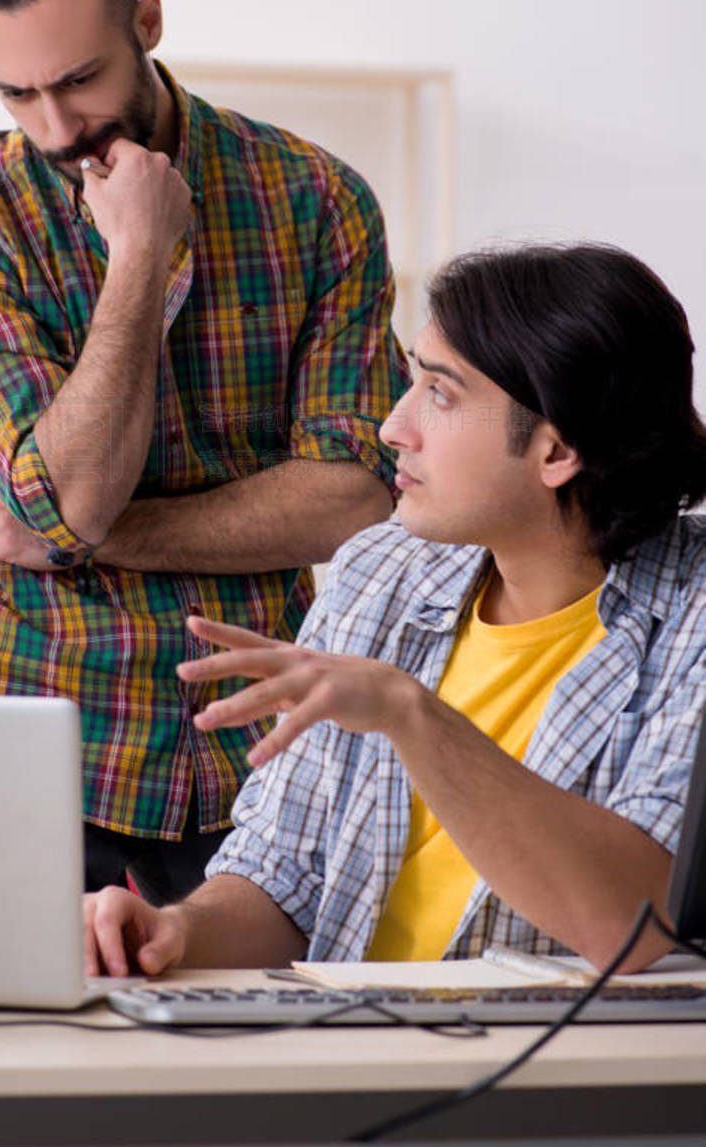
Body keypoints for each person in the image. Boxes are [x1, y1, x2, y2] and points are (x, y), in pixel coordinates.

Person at [0, 0, 407, 900]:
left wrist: (74, 536)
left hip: (257, 769)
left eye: (79, 80)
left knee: (253, 1052)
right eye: (16, 93)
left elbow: (355, 501)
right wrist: (139, 251)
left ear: (148, 21)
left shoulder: (317, 201)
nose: (55, 125)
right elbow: (75, 493)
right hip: (31, 750)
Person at [85, 242, 706, 975]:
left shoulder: (691, 616)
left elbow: (639, 923)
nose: (392, 428)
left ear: (555, 450)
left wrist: (412, 715)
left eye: (440, 394)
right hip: (346, 1047)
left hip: (552, 1077)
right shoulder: (381, 570)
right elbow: (282, 879)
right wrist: (174, 931)